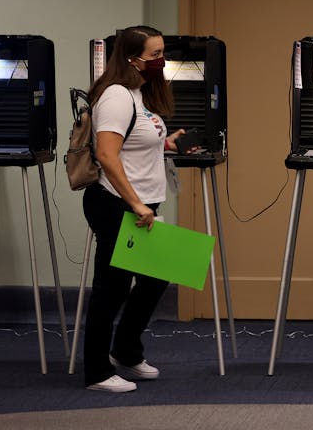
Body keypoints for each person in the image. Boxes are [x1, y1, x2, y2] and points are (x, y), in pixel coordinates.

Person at [82, 25, 187, 392]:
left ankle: (125, 352)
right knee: (110, 288)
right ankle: (96, 371)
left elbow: (134, 144)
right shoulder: (115, 96)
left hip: (140, 203)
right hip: (116, 203)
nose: (161, 61)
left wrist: (165, 144)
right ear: (131, 59)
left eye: (162, 53)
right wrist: (136, 204)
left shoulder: (138, 93)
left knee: (156, 278)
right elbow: (108, 156)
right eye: (154, 55)